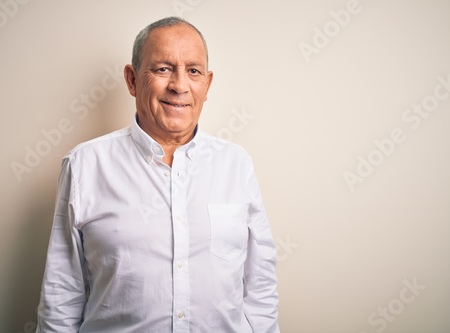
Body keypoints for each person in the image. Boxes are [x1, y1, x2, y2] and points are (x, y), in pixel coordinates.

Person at [36, 16, 280, 333]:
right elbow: (61, 294)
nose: (179, 86)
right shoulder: (84, 165)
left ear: (206, 84)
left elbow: (260, 287)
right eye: (163, 69)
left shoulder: (236, 164)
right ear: (133, 79)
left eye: (193, 71)